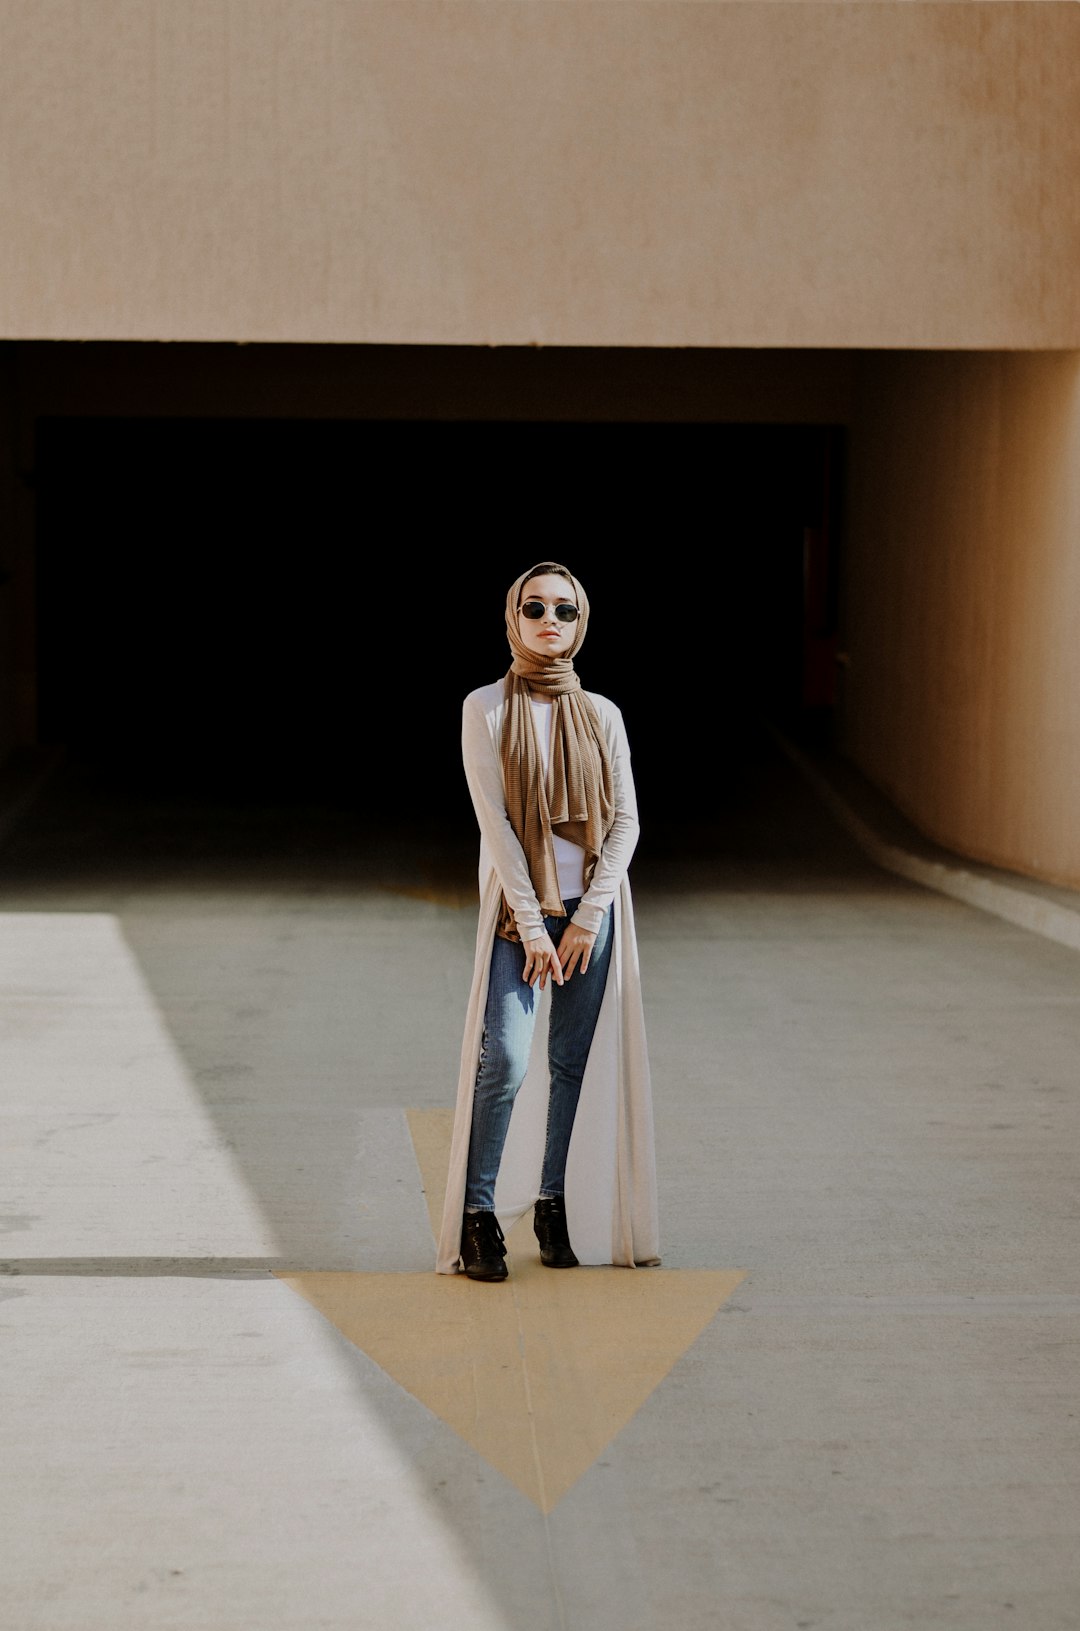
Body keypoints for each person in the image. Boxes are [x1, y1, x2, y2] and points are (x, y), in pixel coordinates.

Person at [436, 562, 660, 1280]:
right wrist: (535, 926)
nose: (549, 619)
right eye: (534, 606)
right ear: (513, 617)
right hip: (518, 918)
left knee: (572, 1066)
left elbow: (624, 822)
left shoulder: (603, 715)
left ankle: (552, 1203)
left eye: (564, 609)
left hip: (590, 919)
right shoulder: (486, 708)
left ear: (580, 622)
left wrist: (588, 917)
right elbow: (495, 824)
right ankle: (477, 1219)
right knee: (503, 1059)